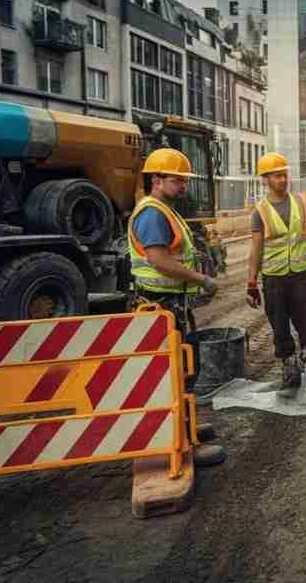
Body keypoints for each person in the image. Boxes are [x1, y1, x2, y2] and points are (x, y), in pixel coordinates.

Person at [128, 148, 224, 465]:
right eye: (177, 180)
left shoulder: (164, 210)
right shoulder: (153, 213)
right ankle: (183, 444)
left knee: (183, 369)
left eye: (183, 180)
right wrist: (200, 278)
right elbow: (159, 260)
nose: (183, 186)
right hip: (158, 307)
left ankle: (186, 427)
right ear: (156, 180)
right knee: (174, 374)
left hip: (168, 305)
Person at [246, 152, 306, 394]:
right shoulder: (260, 211)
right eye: (278, 175)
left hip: (299, 274)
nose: (283, 179)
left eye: (285, 174)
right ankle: (289, 368)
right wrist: (251, 282)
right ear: (266, 179)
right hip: (274, 278)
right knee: (279, 326)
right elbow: (256, 248)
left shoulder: (300, 201)